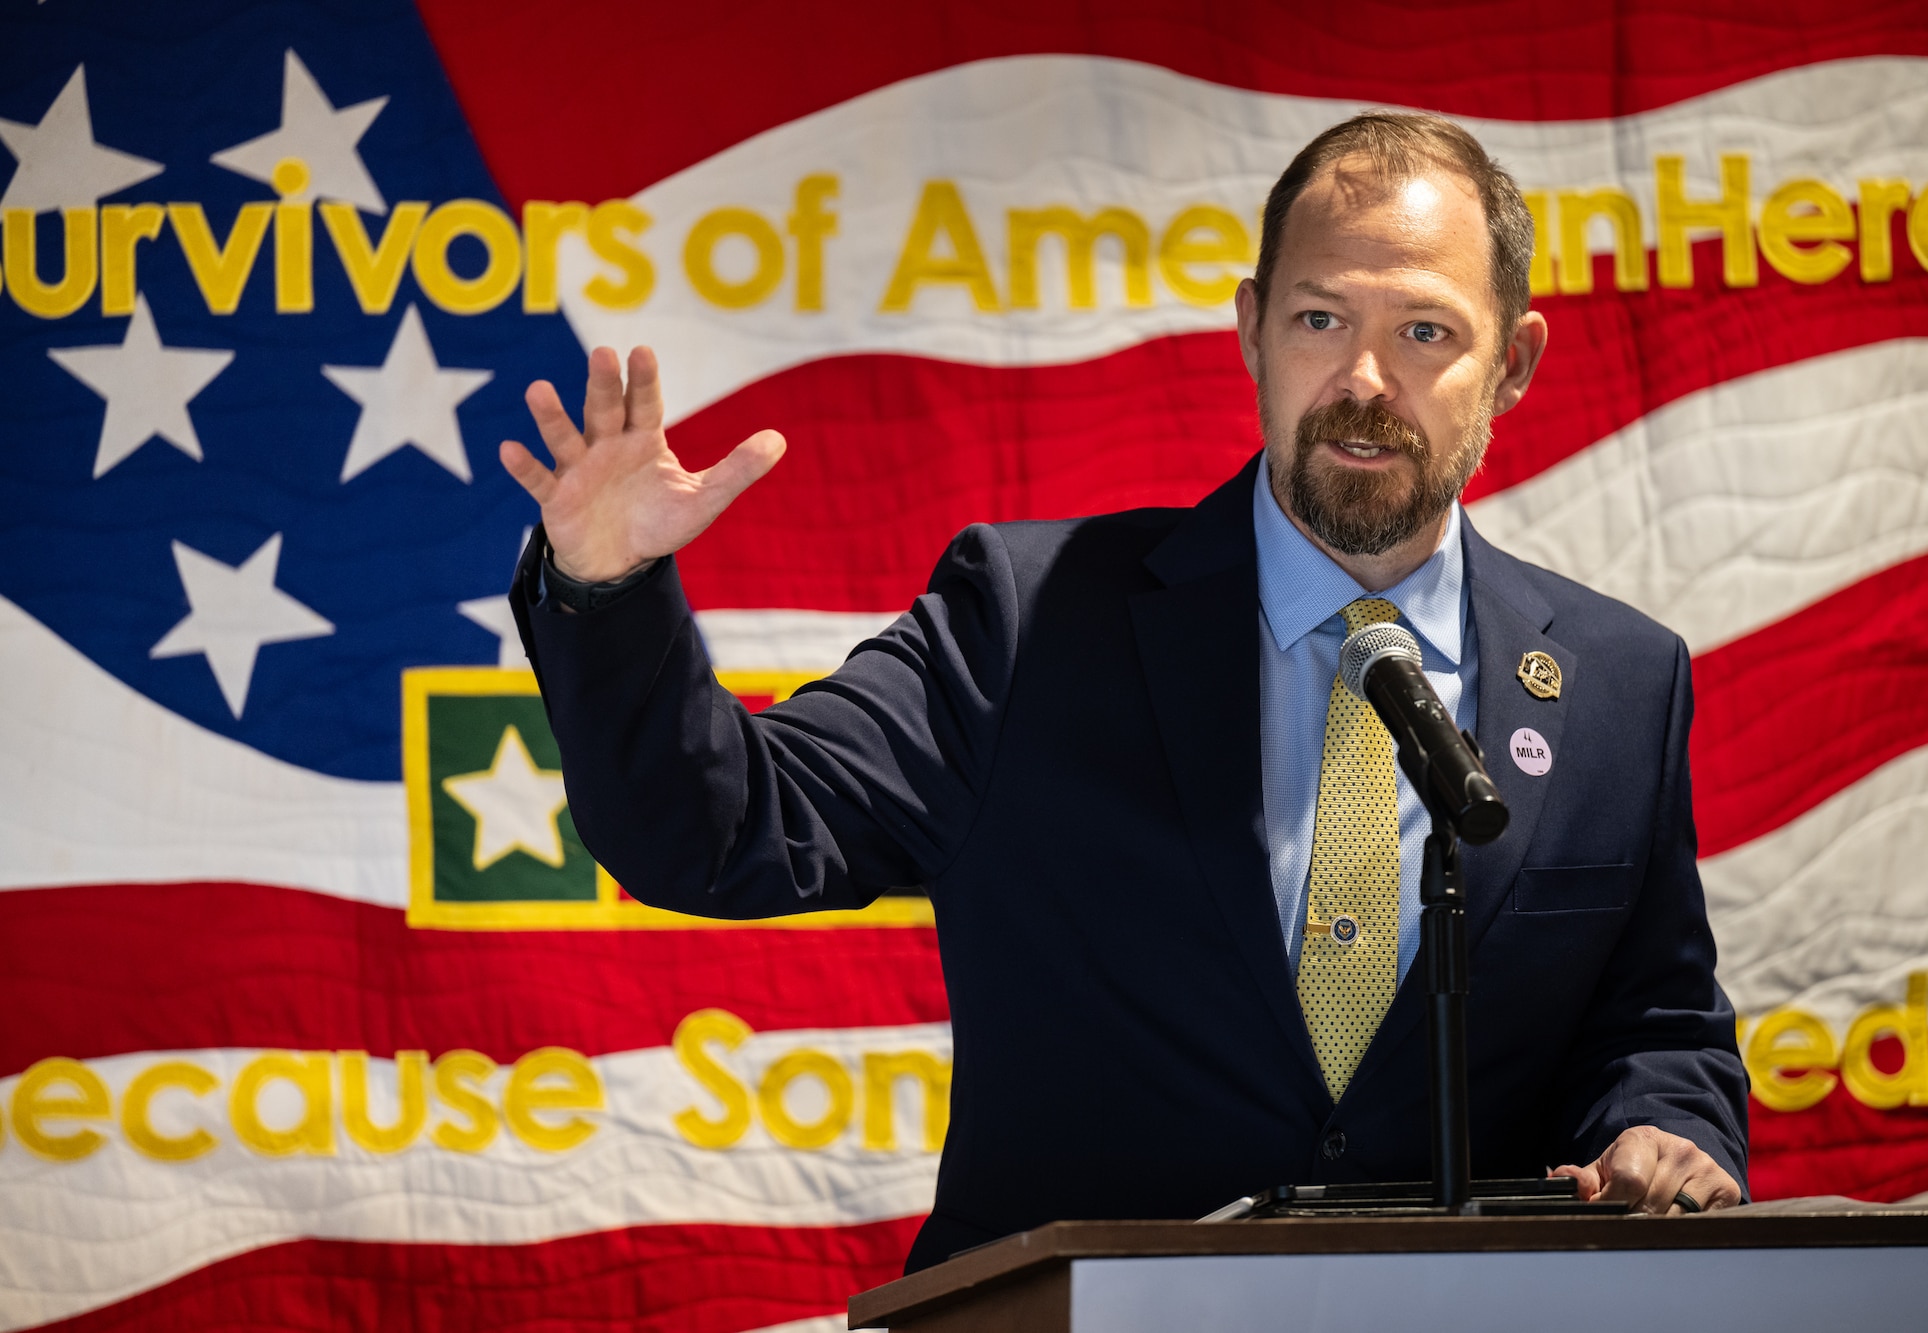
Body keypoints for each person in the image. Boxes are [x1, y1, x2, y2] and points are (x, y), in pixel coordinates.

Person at [500, 112, 1750, 1271]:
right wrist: (604, 591)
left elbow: (1656, 1024)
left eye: (1423, 331)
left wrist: (1661, 1127)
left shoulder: (1619, 683)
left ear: (1513, 362)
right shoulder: (1025, 614)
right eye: (1319, 319)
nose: (1365, 378)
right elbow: (723, 835)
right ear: (1251, 327)